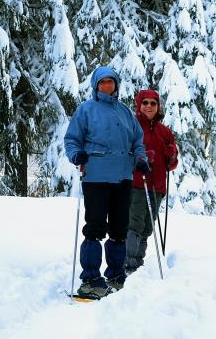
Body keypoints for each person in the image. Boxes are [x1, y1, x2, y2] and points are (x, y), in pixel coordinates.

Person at [64, 65, 150, 299]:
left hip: (122, 177)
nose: (106, 86)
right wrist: (77, 155)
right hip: (95, 177)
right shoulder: (87, 109)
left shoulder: (125, 112)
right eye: (102, 82)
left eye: (110, 82)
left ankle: (115, 275)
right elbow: (72, 139)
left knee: (119, 230)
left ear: (116, 85)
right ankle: (91, 278)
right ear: (95, 86)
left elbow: (137, 141)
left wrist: (140, 159)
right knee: (94, 228)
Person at [125, 89, 178, 273]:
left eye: (153, 103)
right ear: (139, 105)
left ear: (158, 107)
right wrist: (139, 158)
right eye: (145, 102)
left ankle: (137, 264)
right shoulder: (132, 127)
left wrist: (171, 155)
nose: (149, 106)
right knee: (135, 224)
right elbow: (124, 154)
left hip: (157, 186)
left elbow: (172, 165)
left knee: (147, 226)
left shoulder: (165, 132)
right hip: (137, 184)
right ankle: (129, 264)